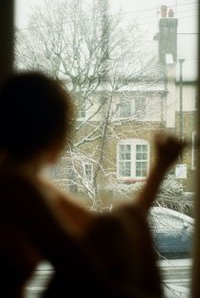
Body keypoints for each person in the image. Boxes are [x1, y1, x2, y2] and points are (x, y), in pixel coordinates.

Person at [0, 71, 184, 298]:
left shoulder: (24, 181)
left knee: (116, 222)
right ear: (55, 130)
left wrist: (158, 171)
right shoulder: (16, 186)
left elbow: (114, 232)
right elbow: (82, 269)